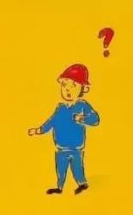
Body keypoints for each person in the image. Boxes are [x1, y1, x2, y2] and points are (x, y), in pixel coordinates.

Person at [28, 64, 100, 195]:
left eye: (73, 86)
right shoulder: (60, 108)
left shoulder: (82, 105)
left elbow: (95, 119)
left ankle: (82, 184)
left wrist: (82, 118)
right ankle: (59, 187)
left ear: (83, 89)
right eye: (64, 85)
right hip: (61, 148)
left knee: (77, 168)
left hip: (76, 148)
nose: (67, 89)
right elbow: (51, 122)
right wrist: (38, 130)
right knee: (61, 169)